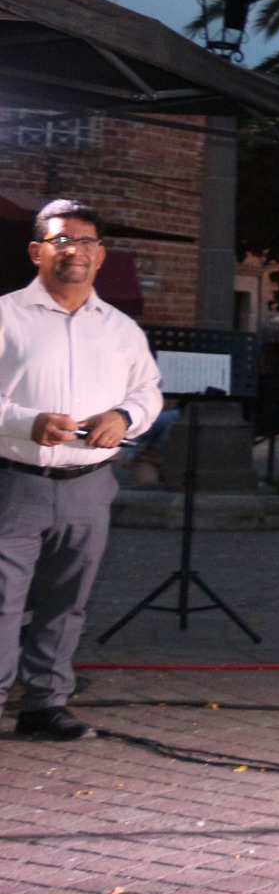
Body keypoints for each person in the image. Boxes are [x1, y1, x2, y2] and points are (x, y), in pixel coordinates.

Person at [0, 200, 161, 741]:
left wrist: (124, 416)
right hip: (15, 481)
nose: (76, 250)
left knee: (67, 602)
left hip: (90, 485)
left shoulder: (120, 329)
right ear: (37, 250)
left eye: (87, 242)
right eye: (63, 239)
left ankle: (45, 703)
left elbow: (148, 392)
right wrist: (27, 422)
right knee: (2, 599)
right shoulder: (5, 316)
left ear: (101, 255)